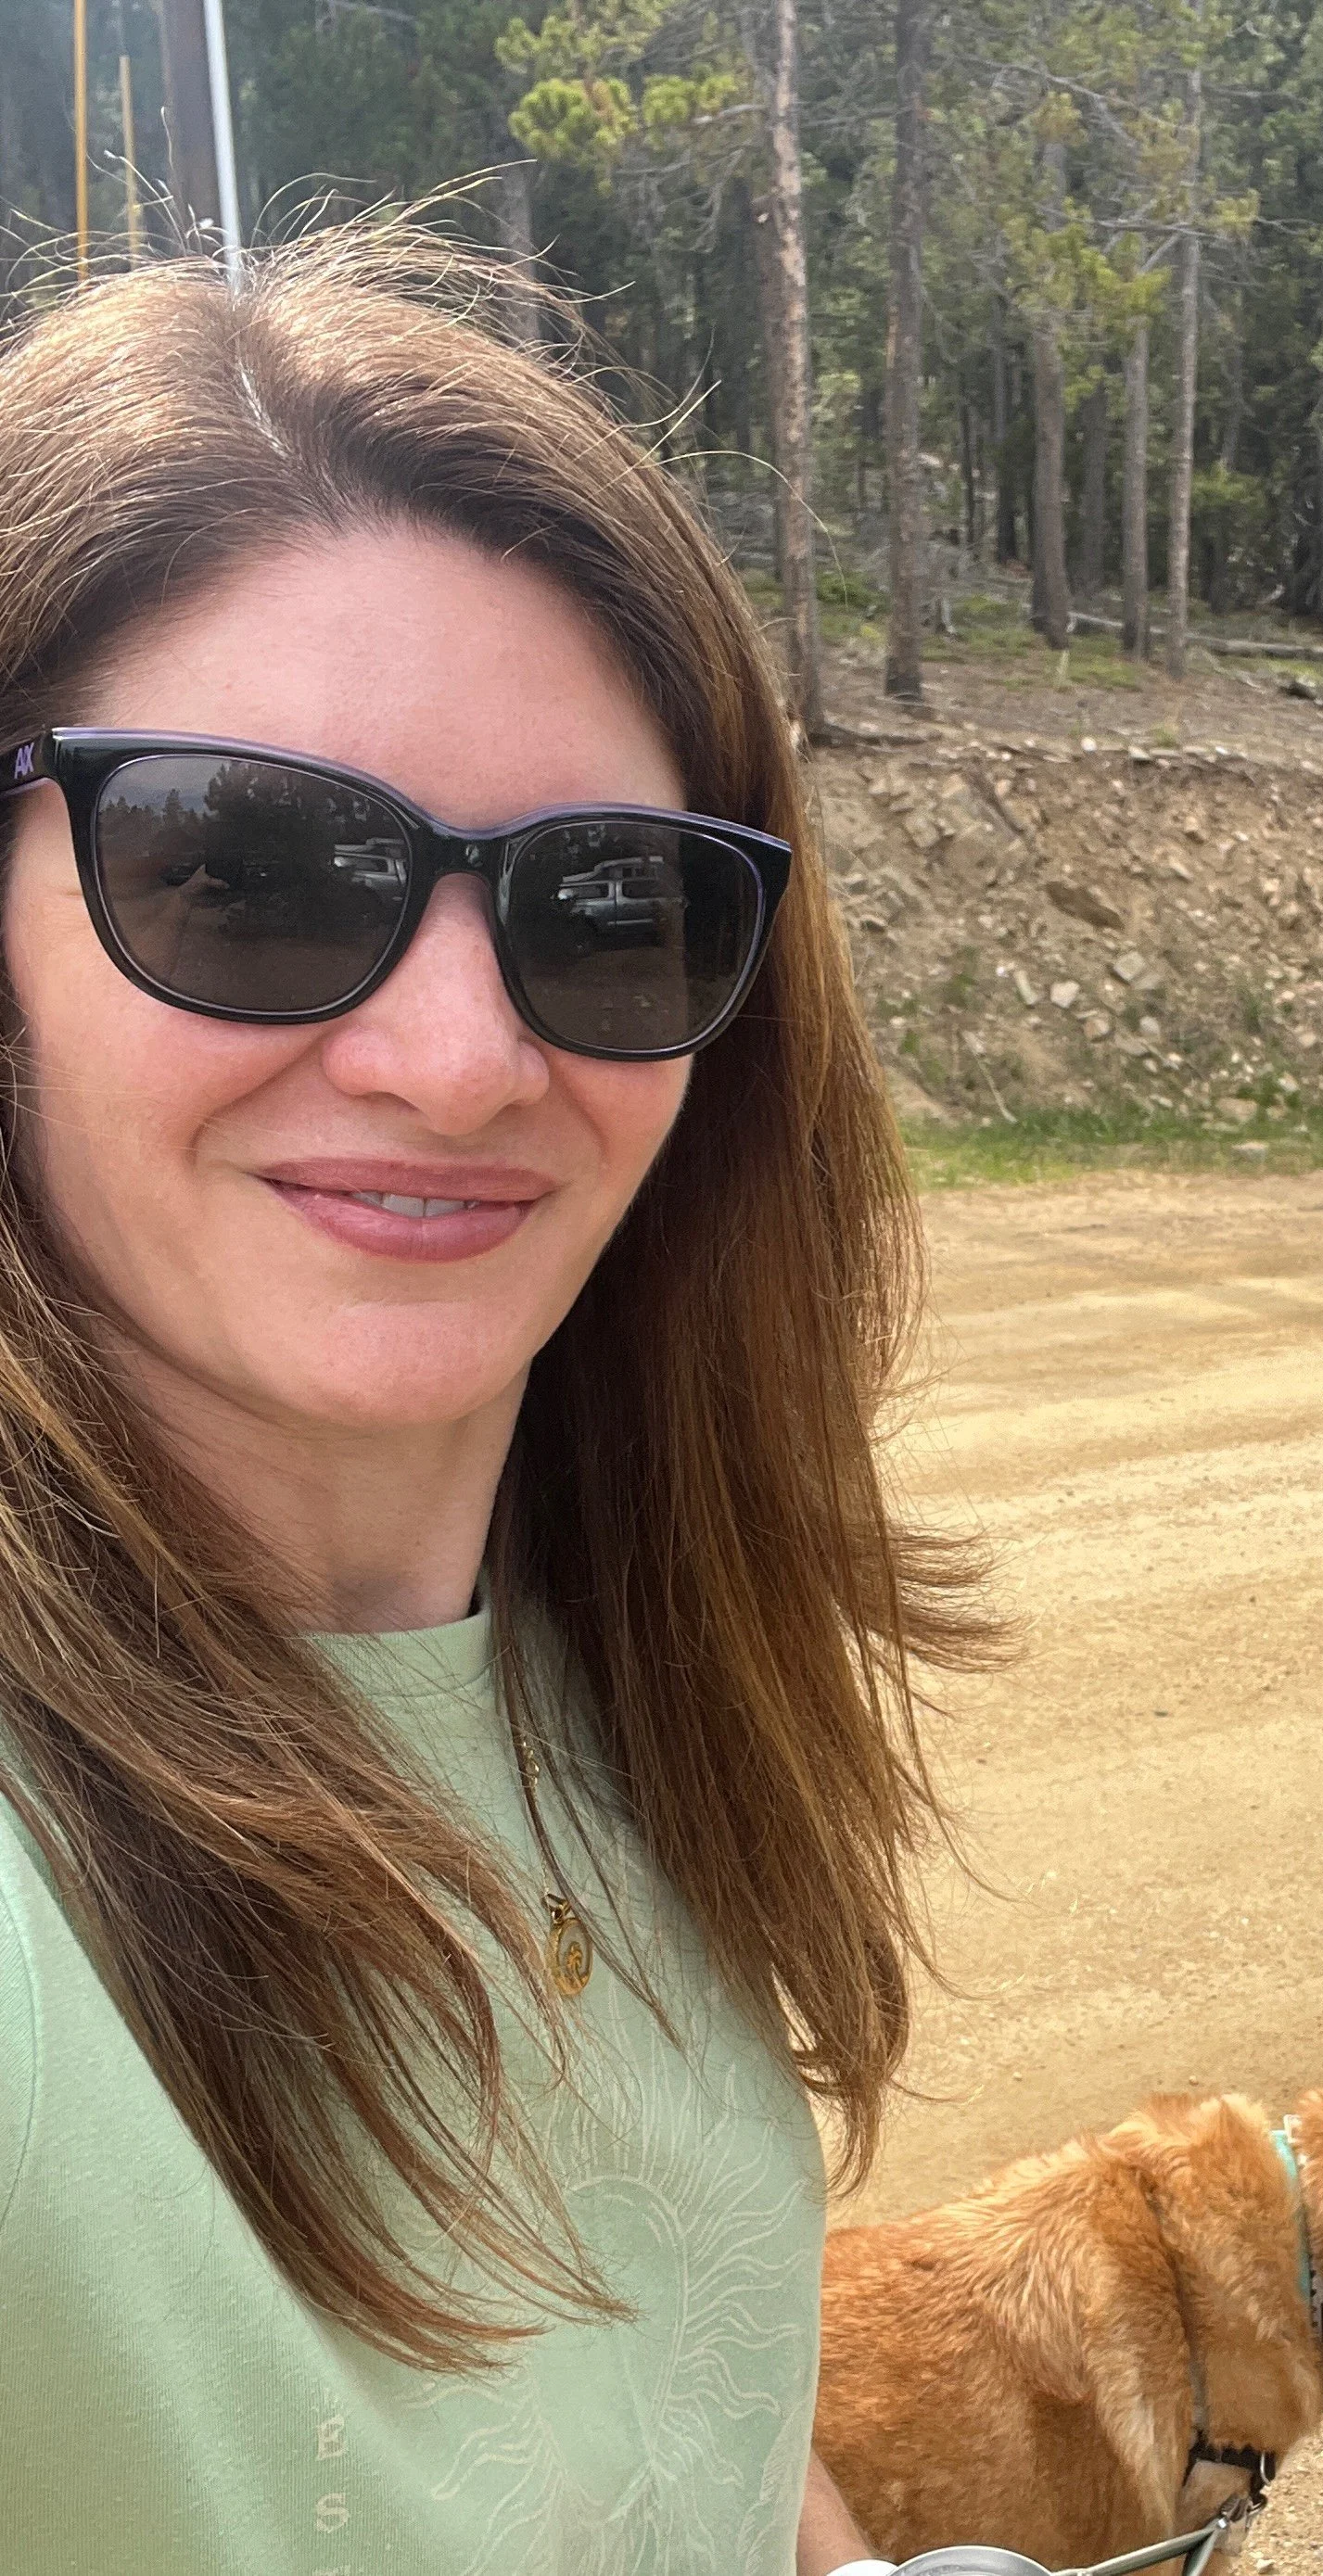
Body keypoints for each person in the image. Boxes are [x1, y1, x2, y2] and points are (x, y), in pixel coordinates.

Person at [0, 228, 982, 2575]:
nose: (458, 1059)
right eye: (236, 871)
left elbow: (658, 2393)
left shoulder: (620, 1664)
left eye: (605, 903)